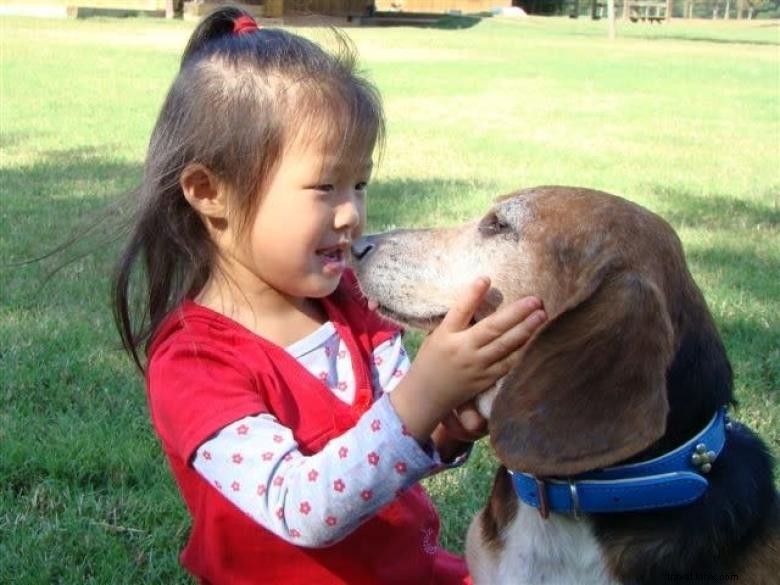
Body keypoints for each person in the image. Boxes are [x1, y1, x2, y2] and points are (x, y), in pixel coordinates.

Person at [113, 7, 546, 584]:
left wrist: (445, 424)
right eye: (324, 187)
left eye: (359, 184)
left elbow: (393, 433)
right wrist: (426, 391)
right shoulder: (194, 363)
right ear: (209, 191)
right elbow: (304, 508)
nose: (352, 213)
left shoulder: (350, 304)